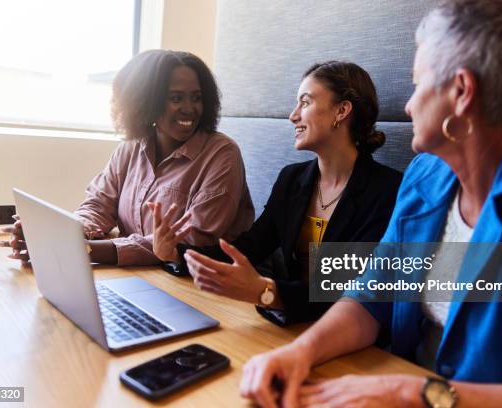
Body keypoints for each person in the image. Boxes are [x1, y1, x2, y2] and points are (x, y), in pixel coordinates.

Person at [239, 1, 502, 407]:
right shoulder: (425, 175)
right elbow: (372, 297)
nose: (408, 105)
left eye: (417, 83)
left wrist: (415, 393)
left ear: (461, 92)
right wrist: (298, 352)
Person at [151, 61, 403, 325]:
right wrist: (177, 253)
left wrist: (266, 291)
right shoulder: (291, 179)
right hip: (291, 321)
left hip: (347, 333)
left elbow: (347, 292)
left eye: (304, 102)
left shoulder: (386, 191)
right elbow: (249, 249)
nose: (293, 116)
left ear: (342, 111)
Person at [0, 50, 254, 266]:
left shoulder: (222, 154)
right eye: (176, 98)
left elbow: (192, 242)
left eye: (197, 98)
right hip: (138, 278)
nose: (189, 108)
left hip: (197, 285)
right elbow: (98, 205)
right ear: (146, 102)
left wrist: (82, 251)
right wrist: (58, 233)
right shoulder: (130, 149)